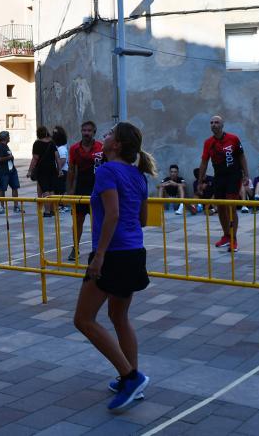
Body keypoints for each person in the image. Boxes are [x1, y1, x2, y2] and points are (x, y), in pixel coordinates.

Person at [73, 121, 155, 411]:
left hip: (114, 254)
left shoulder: (107, 170)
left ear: (116, 145)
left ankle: (131, 376)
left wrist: (99, 256)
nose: (104, 136)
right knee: (119, 317)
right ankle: (132, 382)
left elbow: (113, 214)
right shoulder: (139, 175)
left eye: (109, 133)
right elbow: (143, 220)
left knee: (83, 320)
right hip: (134, 252)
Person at [195, 116, 249, 250]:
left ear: (222, 125)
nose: (213, 125)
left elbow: (241, 156)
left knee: (231, 207)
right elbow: (204, 162)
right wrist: (200, 181)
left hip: (233, 176)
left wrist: (246, 174)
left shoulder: (233, 139)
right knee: (220, 207)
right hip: (219, 177)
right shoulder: (208, 142)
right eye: (211, 122)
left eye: (216, 122)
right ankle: (226, 236)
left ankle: (234, 239)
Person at [67, 121, 104, 259]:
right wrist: (69, 190)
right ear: (81, 131)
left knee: (97, 222)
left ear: (94, 132)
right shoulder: (74, 148)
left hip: (98, 189)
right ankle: (75, 248)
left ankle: (98, 250)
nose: (86, 133)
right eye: (84, 130)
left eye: (89, 130)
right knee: (78, 220)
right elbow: (71, 170)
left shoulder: (101, 147)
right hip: (80, 189)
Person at [28, 126, 60, 217]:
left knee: (45, 190)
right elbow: (57, 157)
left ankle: (47, 211)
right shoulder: (52, 143)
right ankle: (53, 210)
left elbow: (35, 158)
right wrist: (59, 169)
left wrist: (30, 170)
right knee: (52, 190)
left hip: (42, 170)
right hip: (52, 169)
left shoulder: (37, 144)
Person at [0, 131, 22, 214]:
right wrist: (9, 157)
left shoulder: (6, 146)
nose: (9, 138)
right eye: (8, 136)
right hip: (3, 172)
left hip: (11, 170)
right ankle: (2, 207)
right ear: (5, 137)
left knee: (15, 187)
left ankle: (16, 206)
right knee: (3, 189)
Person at [53, 126, 70, 214]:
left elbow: (62, 161)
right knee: (59, 189)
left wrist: (57, 170)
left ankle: (64, 206)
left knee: (62, 189)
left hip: (62, 171)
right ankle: (61, 205)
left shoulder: (61, 149)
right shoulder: (59, 148)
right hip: (61, 171)